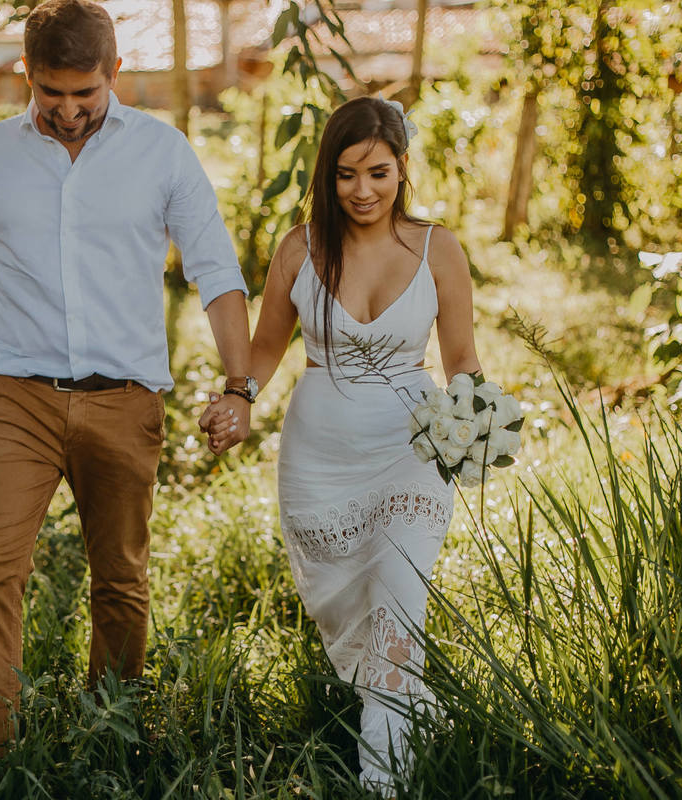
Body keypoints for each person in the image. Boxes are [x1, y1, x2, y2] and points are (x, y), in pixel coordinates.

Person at [0, 0, 255, 754]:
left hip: (125, 400)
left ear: (116, 73)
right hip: (17, 395)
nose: (67, 111)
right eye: (50, 93)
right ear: (26, 77)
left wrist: (239, 386)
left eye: (84, 94)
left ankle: (110, 740)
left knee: (120, 582)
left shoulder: (163, 154)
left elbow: (216, 270)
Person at [200, 96, 482, 792]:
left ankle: (384, 781)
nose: (364, 191)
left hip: (412, 449)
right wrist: (237, 398)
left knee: (398, 603)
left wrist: (482, 416)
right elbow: (267, 346)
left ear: (403, 168)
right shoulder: (301, 248)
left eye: (379, 174)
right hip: (319, 461)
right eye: (347, 175)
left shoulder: (437, 247)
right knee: (352, 620)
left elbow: (463, 358)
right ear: (327, 174)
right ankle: (427, 724)